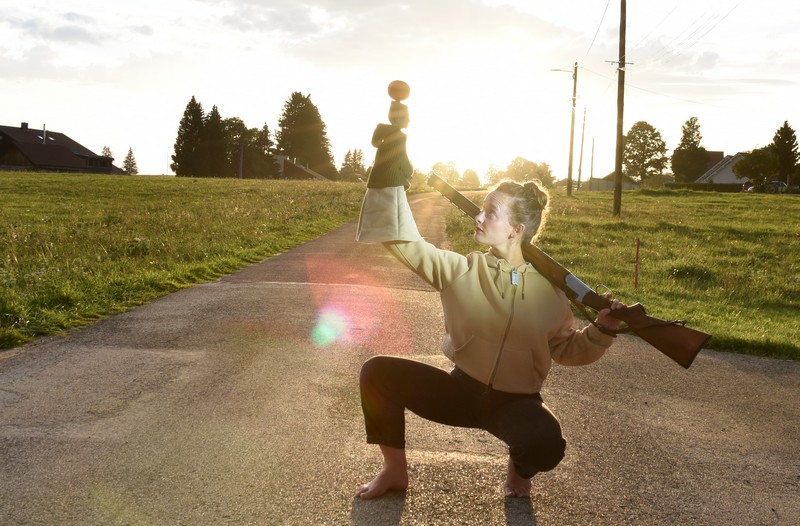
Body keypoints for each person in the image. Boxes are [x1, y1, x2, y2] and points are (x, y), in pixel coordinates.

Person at [354, 110, 624, 503]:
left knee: (546, 443)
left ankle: (521, 470)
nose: (479, 217)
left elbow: (566, 350)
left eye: (491, 212)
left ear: (517, 230)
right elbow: (403, 242)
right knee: (377, 372)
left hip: (516, 403)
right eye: (482, 208)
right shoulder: (463, 270)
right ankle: (394, 472)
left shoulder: (552, 293)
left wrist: (602, 331)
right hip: (459, 390)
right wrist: (389, 177)